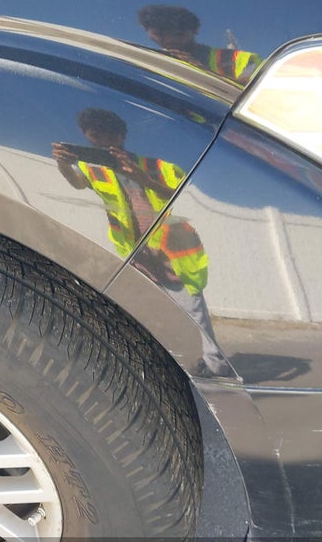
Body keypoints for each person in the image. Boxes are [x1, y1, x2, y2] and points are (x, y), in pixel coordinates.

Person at [53, 108, 232, 377]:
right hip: (135, 249)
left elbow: (183, 198)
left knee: (192, 307)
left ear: (120, 136)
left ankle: (216, 363)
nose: (101, 145)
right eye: (94, 140)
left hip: (170, 247)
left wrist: (143, 178)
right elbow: (77, 183)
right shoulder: (96, 171)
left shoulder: (157, 166)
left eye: (106, 139)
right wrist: (64, 164)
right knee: (142, 308)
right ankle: (151, 364)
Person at [137, 4, 261, 85]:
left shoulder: (241, 60)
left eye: (178, 33)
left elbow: (255, 95)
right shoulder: (138, 61)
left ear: (195, 30)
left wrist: (202, 73)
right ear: (146, 31)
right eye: (160, 34)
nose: (170, 39)